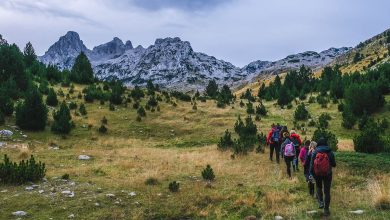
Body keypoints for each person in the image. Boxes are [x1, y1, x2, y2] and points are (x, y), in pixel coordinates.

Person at [309, 138, 336, 216]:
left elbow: (311, 165)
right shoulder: (330, 152)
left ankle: (321, 202)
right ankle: (326, 210)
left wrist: (312, 174)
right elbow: (334, 164)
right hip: (328, 174)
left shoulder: (315, 151)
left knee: (318, 187)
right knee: (327, 192)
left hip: (317, 174)